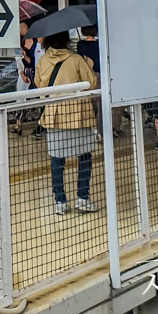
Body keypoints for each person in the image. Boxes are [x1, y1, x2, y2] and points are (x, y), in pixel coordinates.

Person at [34, 31, 98, 216]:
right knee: (84, 156)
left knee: (57, 159)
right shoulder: (77, 59)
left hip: (54, 116)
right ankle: (82, 198)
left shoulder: (43, 61)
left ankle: (60, 201)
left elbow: (38, 85)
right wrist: (89, 66)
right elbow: (91, 83)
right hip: (78, 116)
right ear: (67, 40)